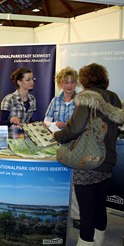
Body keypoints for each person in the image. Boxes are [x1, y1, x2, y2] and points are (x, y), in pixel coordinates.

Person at [53, 63, 124, 246]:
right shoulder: (114, 99)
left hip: (88, 160)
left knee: (86, 211)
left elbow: (75, 127)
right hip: (108, 160)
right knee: (99, 208)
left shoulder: (86, 98)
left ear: (85, 80)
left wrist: (58, 135)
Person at [44, 66, 81, 229]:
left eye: (72, 82)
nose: (69, 85)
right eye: (66, 82)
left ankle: (76, 214)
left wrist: (71, 125)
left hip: (76, 145)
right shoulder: (55, 101)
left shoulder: (81, 101)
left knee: (75, 180)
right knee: (57, 179)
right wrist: (55, 124)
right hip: (59, 144)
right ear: (60, 84)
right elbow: (45, 122)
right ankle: (57, 213)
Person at [0, 67, 36, 136]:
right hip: (11, 141)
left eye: (32, 79)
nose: (32, 82)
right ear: (19, 82)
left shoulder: (32, 99)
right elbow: (1, 124)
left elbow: (28, 121)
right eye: (28, 80)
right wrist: (11, 120)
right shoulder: (9, 99)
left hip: (25, 141)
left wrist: (38, 124)